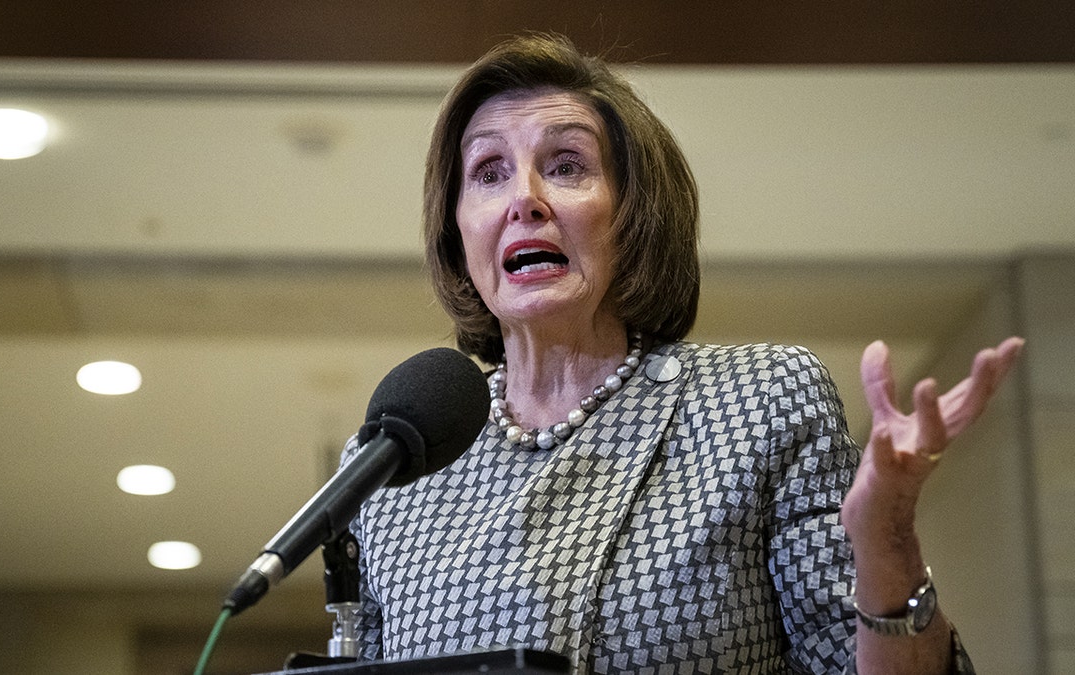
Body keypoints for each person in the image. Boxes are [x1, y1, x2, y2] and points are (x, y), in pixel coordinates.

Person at [342, 33, 1023, 674]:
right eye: (489, 172)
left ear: (633, 214)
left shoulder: (762, 403)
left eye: (567, 165)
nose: (525, 197)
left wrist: (885, 538)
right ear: (457, 229)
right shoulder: (395, 472)